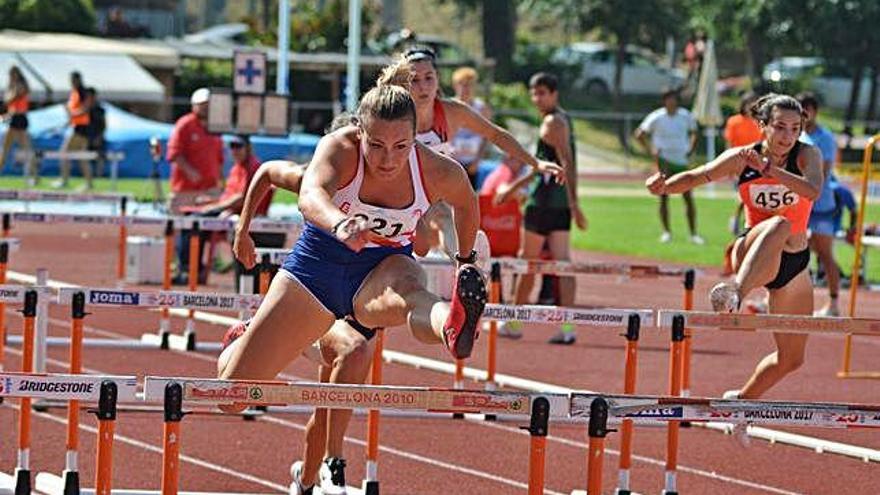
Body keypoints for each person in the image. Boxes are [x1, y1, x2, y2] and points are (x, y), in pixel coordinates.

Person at [218, 65, 488, 492]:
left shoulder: (436, 169)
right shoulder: (338, 150)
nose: (387, 158)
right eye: (377, 144)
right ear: (360, 132)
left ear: (415, 138)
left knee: (414, 291)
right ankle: (241, 341)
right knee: (232, 399)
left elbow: (467, 202)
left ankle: (451, 323)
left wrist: (468, 260)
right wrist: (332, 224)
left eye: (400, 146)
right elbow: (306, 193)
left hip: (379, 272)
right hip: (317, 273)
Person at [645, 94, 822, 423]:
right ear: (762, 126)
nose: (787, 136)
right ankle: (735, 293)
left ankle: (739, 404)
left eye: (795, 128)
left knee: (792, 358)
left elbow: (812, 191)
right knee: (779, 223)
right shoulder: (742, 158)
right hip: (752, 249)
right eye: (780, 127)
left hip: (794, 263)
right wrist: (664, 188)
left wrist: (771, 171)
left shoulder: (807, 155)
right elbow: (697, 176)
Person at [401, 47, 566, 259]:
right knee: (421, 247)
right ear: (404, 82)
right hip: (402, 190)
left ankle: (467, 267)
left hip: (436, 188)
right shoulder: (397, 113)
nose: (423, 87)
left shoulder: (452, 112)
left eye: (429, 78)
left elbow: (495, 134)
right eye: (414, 80)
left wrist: (535, 163)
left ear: (438, 79)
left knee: (451, 223)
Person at [497, 72, 588, 344]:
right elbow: (542, 166)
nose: (536, 98)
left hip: (545, 204)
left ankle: (514, 322)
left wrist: (575, 203)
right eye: (533, 93)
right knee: (560, 263)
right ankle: (566, 328)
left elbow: (567, 163)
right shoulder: (561, 119)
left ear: (554, 93)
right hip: (555, 204)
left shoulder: (552, 122)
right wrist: (513, 189)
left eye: (542, 93)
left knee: (529, 263)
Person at [190, 135, 283, 290]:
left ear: (247, 148)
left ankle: (194, 270)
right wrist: (211, 202)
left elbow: (241, 199)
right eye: (232, 146)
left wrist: (215, 208)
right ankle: (196, 269)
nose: (234, 150)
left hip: (245, 216)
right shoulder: (236, 168)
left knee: (196, 221)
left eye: (238, 146)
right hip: (232, 212)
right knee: (192, 219)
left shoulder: (253, 167)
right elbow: (229, 196)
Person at [166, 87, 224, 285]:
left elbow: (219, 159)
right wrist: (190, 171)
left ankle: (199, 266)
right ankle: (180, 267)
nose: (206, 108)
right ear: (194, 105)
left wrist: (220, 182)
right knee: (182, 227)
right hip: (186, 189)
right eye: (202, 105)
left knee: (204, 227)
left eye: (209, 104)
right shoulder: (185, 125)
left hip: (210, 189)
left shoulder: (216, 128)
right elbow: (173, 153)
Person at [635, 89, 702, 244]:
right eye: (668, 99)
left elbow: (694, 132)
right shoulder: (657, 116)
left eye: (674, 99)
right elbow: (639, 134)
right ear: (664, 101)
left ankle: (693, 234)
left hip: (681, 161)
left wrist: (690, 149)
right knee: (663, 197)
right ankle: (666, 232)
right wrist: (651, 151)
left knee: (688, 197)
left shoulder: (685, 116)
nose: (671, 102)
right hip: (664, 160)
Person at [798, 92, 841, 316]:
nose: (805, 116)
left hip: (820, 203)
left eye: (808, 111)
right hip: (799, 202)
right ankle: (779, 298)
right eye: (801, 111)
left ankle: (833, 303)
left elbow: (821, 172)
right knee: (791, 249)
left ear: (815, 111)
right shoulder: (795, 134)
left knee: (824, 253)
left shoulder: (824, 137)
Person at [450, 66, 492, 189]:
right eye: (462, 84)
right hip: (453, 161)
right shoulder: (449, 106)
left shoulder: (482, 108)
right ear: (455, 85)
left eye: (469, 85)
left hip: (472, 162)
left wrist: (478, 160)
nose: (465, 88)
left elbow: (487, 136)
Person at [54, 71, 92, 190]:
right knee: (81, 156)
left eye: (73, 80)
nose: (72, 82)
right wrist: (69, 119)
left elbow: (85, 109)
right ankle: (88, 183)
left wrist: (72, 114)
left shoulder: (82, 92)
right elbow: (73, 113)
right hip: (77, 126)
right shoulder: (74, 93)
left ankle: (65, 180)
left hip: (81, 128)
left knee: (64, 152)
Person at [1, 66, 36, 186]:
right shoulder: (14, 86)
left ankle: (34, 176)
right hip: (15, 118)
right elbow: (8, 100)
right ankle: (34, 176)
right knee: (6, 149)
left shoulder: (21, 85)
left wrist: (11, 92)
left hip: (19, 119)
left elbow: (10, 99)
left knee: (25, 149)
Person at [85, 87, 107, 179]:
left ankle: (99, 175)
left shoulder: (99, 109)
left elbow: (104, 125)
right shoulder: (85, 109)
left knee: (99, 157)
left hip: (97, 136)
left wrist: (99, 137)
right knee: (86, 157)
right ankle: (89, 176)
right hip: (87, 137)